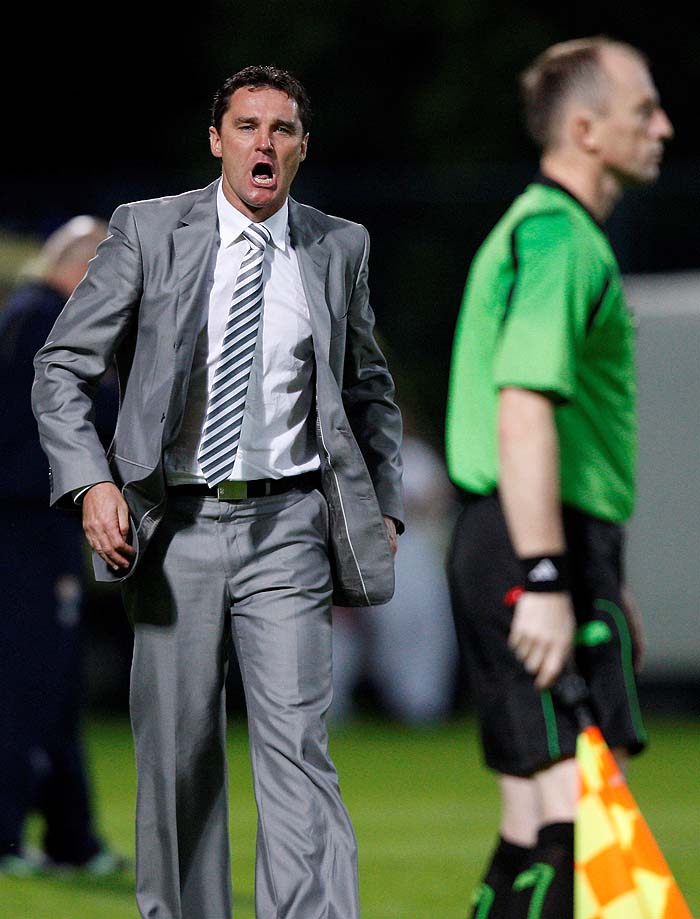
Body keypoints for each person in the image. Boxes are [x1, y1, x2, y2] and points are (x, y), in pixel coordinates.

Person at [32, 66, 403, 919]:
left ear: (303, 147)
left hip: (290, 524)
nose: (263, 143)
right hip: (175, 529)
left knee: (299, 745)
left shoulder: (339, 245)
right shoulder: (148, 231)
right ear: (217, 140)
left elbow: (369, 387)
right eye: (247, 126)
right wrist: (91, 481)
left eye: (282, 129)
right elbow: (62, 368)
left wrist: (378, 496)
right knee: (178, 753)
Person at [445, 38, 673, 918]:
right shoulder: (560, 239)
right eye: (643, 109)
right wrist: (546, 572)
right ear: (585, 129)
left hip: (516, 538)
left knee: (533, 818)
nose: (663, 126)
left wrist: (594, 576)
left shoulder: (537, 229)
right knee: (578, 820)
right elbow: (524, 406)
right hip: (527, 545)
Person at [0, 217, 123, 876]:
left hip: (30, 527)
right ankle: (9, 832)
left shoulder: (25, 318)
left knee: (53, 678)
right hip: (24, 531)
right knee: (32, 680)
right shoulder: (45, 322)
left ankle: (72, 837)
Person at [332, 430, 458, 723]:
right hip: (366, 556)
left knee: (423, 635)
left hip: (416, 560)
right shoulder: (350, 453)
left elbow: (438, 502)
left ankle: (422, 707)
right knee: (346, 638)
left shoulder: (415, 457)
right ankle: (337, 710)